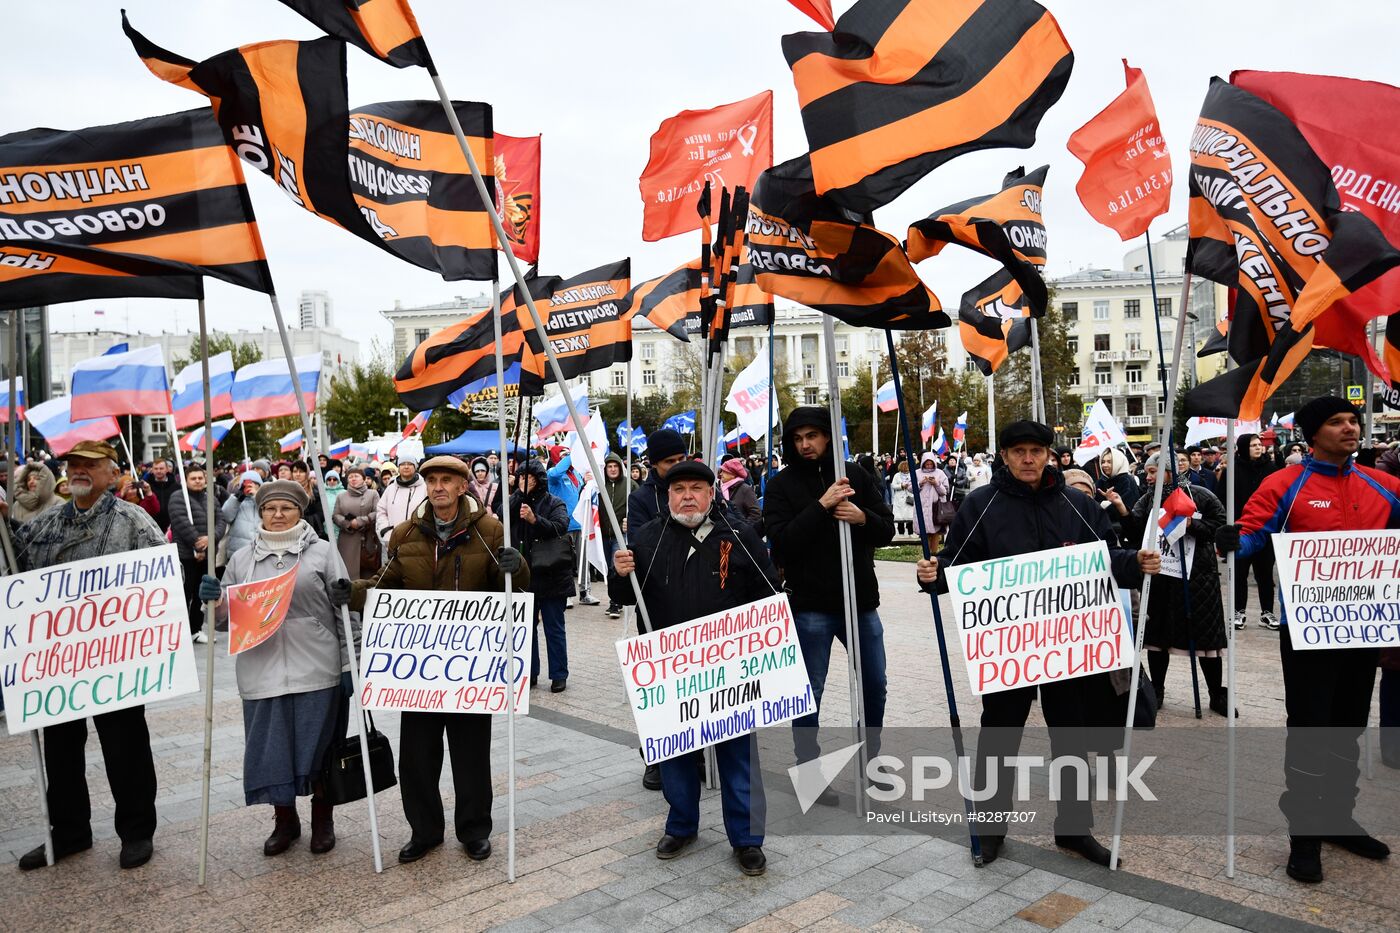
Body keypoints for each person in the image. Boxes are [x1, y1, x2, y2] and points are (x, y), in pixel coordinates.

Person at [916, 420, 1160, 867]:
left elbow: (1105, 558)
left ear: (1050, 454)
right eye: (1019, 451)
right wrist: (933, 576)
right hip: (1008, 651)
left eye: (1036, 451)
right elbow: (955, 564)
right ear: (1005, 457)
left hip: (1066, 649)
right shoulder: (980, 505)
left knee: (1071, 736)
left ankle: (1073, 827)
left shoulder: (1077, 503)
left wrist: (1135, 562)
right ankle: (989, 831)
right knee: (999, 736)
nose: (1028, 459)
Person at [1217, 396, 1399, 884]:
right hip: (1309, 633)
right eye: (1337, 422)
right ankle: (1304, 836)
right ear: (1313, 433)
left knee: (1349, 728)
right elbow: (1255, 535)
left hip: (1365, 629)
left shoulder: (1386, 486)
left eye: (1353, 420)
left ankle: (1339, 817)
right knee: (1311, 730)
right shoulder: (1285, 484)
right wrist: (1235, 540)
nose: (1350, 427)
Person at [350, 455, 525, 865]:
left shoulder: (489, 530)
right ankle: (424, 831)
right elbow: (385, 585)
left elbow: (509, 587)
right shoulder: (406, 533)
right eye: (433, 481)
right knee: (417, 758)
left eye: (447, 480)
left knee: (471, 756)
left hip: (469, 669)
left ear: (463, 486)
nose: (439, 487)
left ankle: (474, 830)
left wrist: (519, 568)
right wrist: (354, 591)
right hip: (420, 670)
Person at [610, 460, 780, 876]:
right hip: (671, 668)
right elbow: (626, 598)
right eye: (679, 488)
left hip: (730, 669)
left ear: (711, 492)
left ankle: (747, 839)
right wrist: (618, 575)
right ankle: (681, 824)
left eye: (697, 488)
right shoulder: (647, 538)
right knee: (675, 754)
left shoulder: (739, 535)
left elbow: (768, 593)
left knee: (738, 755)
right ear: (667, 497)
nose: (688, 495)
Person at [15, 441, 166, 871]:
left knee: (125, 745)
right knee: (60, 749)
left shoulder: (133, 520)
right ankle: (68, 832)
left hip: (116, 656)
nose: (79, 471)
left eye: (90, 465)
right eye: (73, 465)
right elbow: (17, 566)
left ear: (112, 473)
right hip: (60, 658)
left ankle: (137, 832)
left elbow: (161, 580)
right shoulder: (46, 524)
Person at [201, 481, 351, 857]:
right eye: (270, 509)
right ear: (261, 513)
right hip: (261, 671)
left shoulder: (323, 553)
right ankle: (285, 820)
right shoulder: (241, 560)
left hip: (318, 669)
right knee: (273, 752)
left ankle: (322, 820)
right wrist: (215, 601)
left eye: (287, 508)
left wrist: (351, 663)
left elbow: (347, 613)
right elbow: (225, 623)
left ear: (300, 512)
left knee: (319, 751)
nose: (278, 515)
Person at [762, 407, 895, 789]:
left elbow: (886, 529)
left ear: (827, 436)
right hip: (811, 605)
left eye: (813, 436)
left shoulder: (855, 475)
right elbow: (782, 544)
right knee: (809, 692)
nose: (805, 444)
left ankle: (871, 759)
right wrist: (821, 506)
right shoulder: (780, 485)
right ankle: (809, 768)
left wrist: (863, 518)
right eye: (798, 438)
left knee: (874, 683)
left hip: (860, 601)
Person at [1127, 454, 1230, 715]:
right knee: (1158, 637)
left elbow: (1220, 525)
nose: (1148, 478)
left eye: (1153, 472)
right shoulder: (1150, 497)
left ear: (1169, 473)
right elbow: (1136, 525)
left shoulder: (1200, 494)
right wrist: (1121, 508)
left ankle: (1216, 693)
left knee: (1206, 639)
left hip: (1198, 579)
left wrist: (1190, 524)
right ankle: (1158, 690)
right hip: (1162, 576)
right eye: (1148, 472)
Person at [510, 459, 572, 692]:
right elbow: (501, 515)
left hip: (552, 573)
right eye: (521, 477)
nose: (524, 481)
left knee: (554, 626)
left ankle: (559, 673)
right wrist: (518, 495)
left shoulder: (554, 502)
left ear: (539, 479)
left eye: (529, 477)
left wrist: (536, 520)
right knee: (526, 626)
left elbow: (561, 526)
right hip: (525, 574)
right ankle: (530, 671)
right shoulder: (517, 501)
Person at [1217, 433, 1281, 630]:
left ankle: (1267, 613)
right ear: (1244, 447)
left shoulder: (1272, 469)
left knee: (1265, 574)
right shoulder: (1232, 471)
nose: (1258, 448)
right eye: (1253, 445)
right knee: (1239, 573)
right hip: (1240, 530)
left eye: (1260, 444)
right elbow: (1221, 499)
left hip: (1265, 530)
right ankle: (1238, 612)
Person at [167, 463, 228, 644]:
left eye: (200, 478)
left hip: (208, 554)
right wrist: (197, 544)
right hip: (186, 555)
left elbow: (221, 521)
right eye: (193, 478)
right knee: (184, 594)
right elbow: (181, 522)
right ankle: (179, 631)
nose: (197, 481)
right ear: (186, 481)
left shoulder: (211, 499)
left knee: (201, 594)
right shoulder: (178, 498)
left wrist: (211, 539)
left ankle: (195, 629)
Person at [331, 468, 380, 580]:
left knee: (368, 574)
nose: (353, 479)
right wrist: (347, 523)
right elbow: (335, 515)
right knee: (348, 573)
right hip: (348, 539)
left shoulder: (373, 494)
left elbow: (378, 512)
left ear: (363, 479)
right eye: (350, 477)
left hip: (367, 539)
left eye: (356, 476)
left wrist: (361, 521)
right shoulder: (341, 496)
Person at [376, 454, 428, 548]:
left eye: (410, 464)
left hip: (419, 542)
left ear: (415, 467)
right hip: (393, 541)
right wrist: (386, 532)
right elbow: (381, 511)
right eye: (403, 464)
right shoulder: (390, 489)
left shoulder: (425, 488)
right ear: (398, 468)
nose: (406, 466)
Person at [601, 453, 629, 618]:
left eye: (615, 466)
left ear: (620, 467)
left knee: (616, 566)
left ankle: (616, 602)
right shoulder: (598, 485)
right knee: (607, 569)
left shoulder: (629, 485)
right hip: (602, 534)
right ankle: (614, 598)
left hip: (620, 534)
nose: (612, 469)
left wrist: (629, 521)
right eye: (609, 466)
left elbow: (637, 505)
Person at [222, 470, 264, 560]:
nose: (250, 486)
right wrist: (238, 497)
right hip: (237, 551)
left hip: (259, 550)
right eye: (247, 483)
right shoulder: (235, 500)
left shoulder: (264, 499)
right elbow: (226, 516)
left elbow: (266, 512)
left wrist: (256, 497)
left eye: (254, 483)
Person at [915, 451, 950, 552]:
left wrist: (936, 483)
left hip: (936, 507)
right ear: (923, 463)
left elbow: (945, 491)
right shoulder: (917, 473)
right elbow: (910, 488)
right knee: (924, 532)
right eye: (927, 463)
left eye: (931, 463)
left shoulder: (940, 473)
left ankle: (934, 554)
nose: (929, 466)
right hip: (922, 506)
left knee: (935, 532)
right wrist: (920, 483)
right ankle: (926, 553)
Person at [718, 456, 762, 531]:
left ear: (733, 473)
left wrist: (743, 529)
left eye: (724, 471)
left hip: (739, 536)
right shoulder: (720, 488)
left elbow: (756, 514)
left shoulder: (745, 489)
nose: (721, 474)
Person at [290, 461, 327, 539]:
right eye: (295, 471)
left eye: (301, 471)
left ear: (307, 473)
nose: (298, 474)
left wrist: (304, 519)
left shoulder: (315, 491)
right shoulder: (287, 490)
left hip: (312, 531)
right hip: (292, 531)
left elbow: (321, 513)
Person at [144, 457, 180, 531]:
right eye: (156, 468)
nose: (158, 471)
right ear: (152, 470)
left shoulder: (177, 487)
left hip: (172, 526)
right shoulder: (146, 487)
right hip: (152, 526)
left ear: (167, 469)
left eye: (161, 468)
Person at [889, 460, 915, 536]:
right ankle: (901, 533)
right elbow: (893, 485)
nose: (906, 469)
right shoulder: (897, 475)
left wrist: (909, 487)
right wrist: (901, 486)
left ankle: (910, 532)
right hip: (899, 498)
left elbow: (916, 484)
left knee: (910, 516)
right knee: (899, 516)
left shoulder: (912, 475)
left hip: (909, 497)